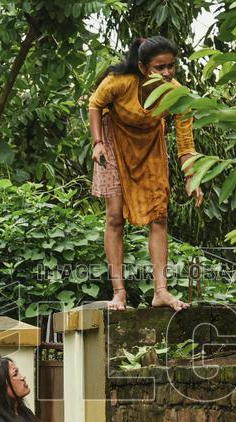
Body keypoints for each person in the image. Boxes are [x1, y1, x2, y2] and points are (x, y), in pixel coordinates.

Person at [89, 35, 204, 312]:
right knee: (115, 217)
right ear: (142, 67)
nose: (166, 73)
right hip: (114, 142)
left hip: (150, 146)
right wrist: (97, 142)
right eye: (159, 67)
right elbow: (95, 103)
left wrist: (192, 177)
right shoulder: (119, 81)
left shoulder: (176, 94)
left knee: (159, 216)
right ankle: (119, 294)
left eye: (170, 66)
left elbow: (186, 142)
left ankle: (161, 292)